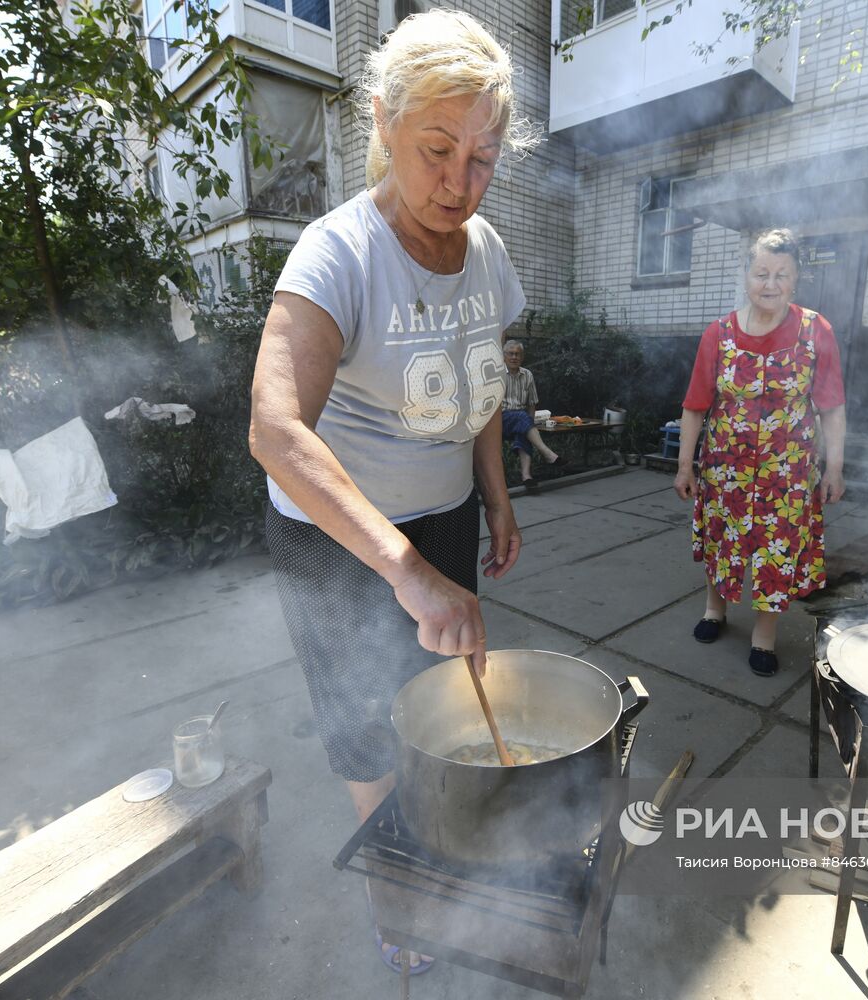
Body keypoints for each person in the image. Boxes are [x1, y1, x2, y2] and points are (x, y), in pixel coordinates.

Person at [248, 10, 538, 975]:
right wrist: (408, 572)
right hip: (336, 543)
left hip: (446, 520)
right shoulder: (337, 255)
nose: (459, 182)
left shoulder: (489, 252)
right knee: (367, 734)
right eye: (437, 149)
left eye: (484, 158)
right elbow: (274, 431)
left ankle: (448, 849)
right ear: (381, 121)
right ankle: (395, 899)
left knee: (443, 706)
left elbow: (482, 383)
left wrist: (494, 495)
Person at [673, 229, 847, 677]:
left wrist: (835, 468)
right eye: (761, 273)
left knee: (777, 551)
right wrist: (684, 464)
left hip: (787, 474)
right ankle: (715, 609)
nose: (770, 284)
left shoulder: (815, 330)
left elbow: (831, 408)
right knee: (721, 541)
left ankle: (764, 635)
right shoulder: (719, 334)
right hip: (724, 468)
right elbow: (695, 406)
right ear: (746, 276)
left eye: (781, 275)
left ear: (795, 280)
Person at [500, 339, 567, 486]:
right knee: (522, 418)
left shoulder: (527, 375)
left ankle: (526, 476)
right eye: (510, 354)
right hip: (501, 420)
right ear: (504, 356)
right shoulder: (497, 374)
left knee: (524, 428)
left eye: (517, 354)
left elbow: (532, 404)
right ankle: (546, 453)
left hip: (520, 419)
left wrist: (530, 426)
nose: (514, 357)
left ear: (522, 357)